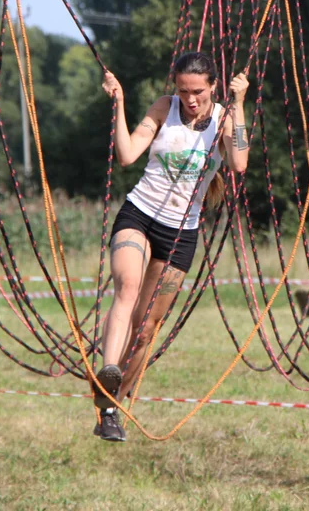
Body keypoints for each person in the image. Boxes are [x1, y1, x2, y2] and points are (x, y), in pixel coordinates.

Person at [92, 51, 250, 442]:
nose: (190, 99)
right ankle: (108, 370)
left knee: (146, 330)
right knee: (126, 288)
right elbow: (128, 154)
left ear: (213, 86)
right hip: (140, 215)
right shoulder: (165, 108)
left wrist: (241, 104)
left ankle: (110, 410)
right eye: (183, 90)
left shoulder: (224, 119)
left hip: (180, 233)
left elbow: (239, 163)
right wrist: (120, 103)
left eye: (197, 91)